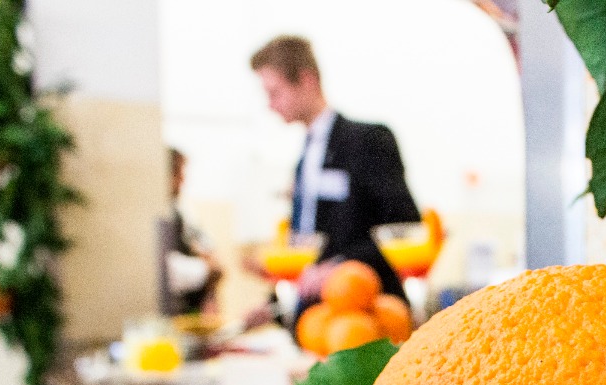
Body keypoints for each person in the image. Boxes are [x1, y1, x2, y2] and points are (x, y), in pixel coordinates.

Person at [245, 35, 420, 328]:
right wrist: (273, 305)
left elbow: (402, 226)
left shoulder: (368, 140)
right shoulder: (303, 160)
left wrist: (336, 267)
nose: (271, 106)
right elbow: (307, 251)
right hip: (318, 321)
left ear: (307, 80)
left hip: (366, 314)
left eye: (275, 93)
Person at [160, 148, 223, 316]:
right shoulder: (161, 214)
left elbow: (205, 246)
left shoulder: (179, 213)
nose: (183, 180)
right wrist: (208, 270)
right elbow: (169, 271)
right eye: (178, 173)